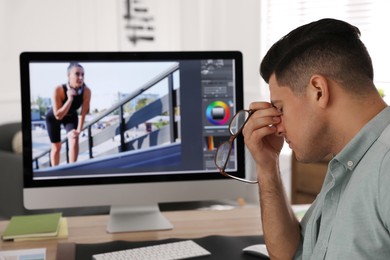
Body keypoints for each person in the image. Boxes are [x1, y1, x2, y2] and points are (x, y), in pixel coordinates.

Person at [242, 18, 390, 259]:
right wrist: (267, 167)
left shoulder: (385, 167)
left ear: (319, 91)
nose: (277, 127)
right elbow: (290, 254)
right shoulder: (349, 164)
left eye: (280, 109)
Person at [45, 63, 91, 166]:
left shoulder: (86, 91)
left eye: (83, 74)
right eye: (77, 74)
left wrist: (78, 131)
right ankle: (54, 173)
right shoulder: (59, 90)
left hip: (70, 117)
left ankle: (71, 170)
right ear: (68, 76)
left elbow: (83, 114)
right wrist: (70, 99)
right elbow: (58, 116)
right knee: (57, 147)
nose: (81, 77)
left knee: (74, 138)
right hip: (54, 118)